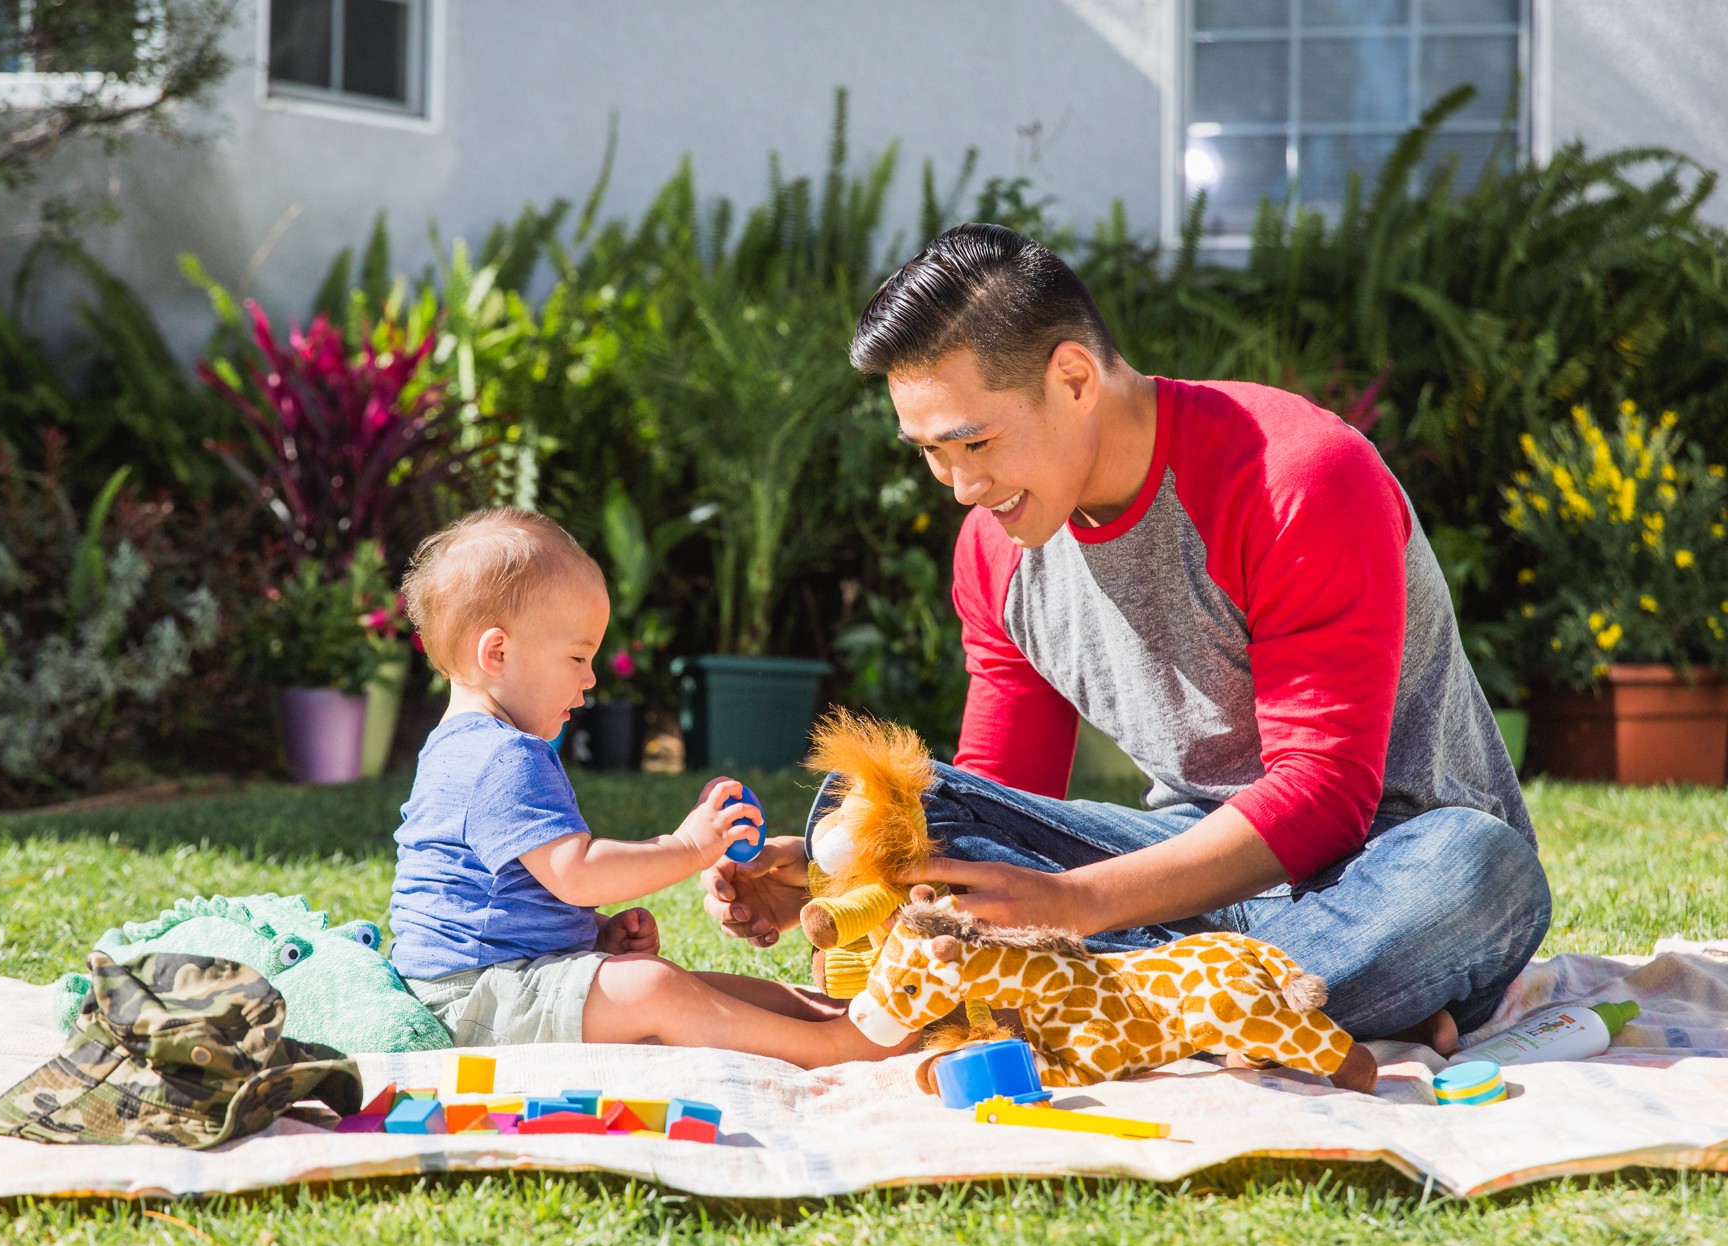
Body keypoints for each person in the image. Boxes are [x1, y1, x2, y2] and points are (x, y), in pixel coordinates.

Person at [702, 223, 1551, 1053]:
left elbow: (1326, 797)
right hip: (1181, 872)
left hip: (1388, 868)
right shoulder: (995, 549)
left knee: (1477, 865)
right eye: (929, 451)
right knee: (903, 808)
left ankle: (1091, 995)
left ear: (1073, 378)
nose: (960, 485)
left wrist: (1075, 907)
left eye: (975, 441)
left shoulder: (1295, 478)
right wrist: (848, 880)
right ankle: (1241, 1008)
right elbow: (1002, 792)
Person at [391, 506, 900, 1068]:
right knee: (656, 990)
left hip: (495, 985)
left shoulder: (458, 745)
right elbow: (576, 873)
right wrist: (688, 847)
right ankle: (832, 1045)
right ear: (498, 653)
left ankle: (829, 1012)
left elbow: (504, 898)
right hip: (474, 1000)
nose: (590, 679)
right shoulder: (502, 756)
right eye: (578, 657)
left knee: (690, 986)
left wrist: (597, 937)